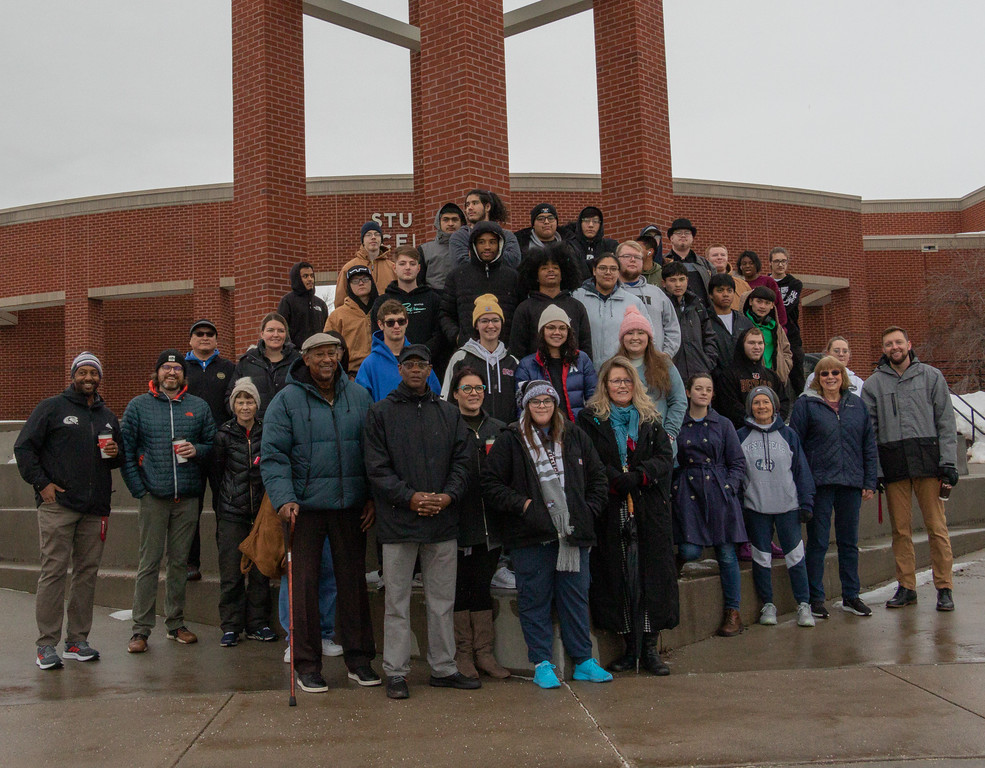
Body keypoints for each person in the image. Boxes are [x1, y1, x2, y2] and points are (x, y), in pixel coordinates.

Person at [261, 333, 380, 693]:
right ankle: (307, 664)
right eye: (319, 354)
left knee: (353, 586)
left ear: (341, 356)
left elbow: (374, 452)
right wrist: (284, 499)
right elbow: (274, 456)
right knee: (304, 589)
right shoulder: (286, 401)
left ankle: (359, 661)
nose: (327, 360)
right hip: (305, 509)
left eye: (333, 353)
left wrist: (372, 497)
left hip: (350, 508)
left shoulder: (360, 396)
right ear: (306, 359)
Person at [364, 344, 478, 699]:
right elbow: (376, 469)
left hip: (442, 520)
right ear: (400, 369)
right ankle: (396, 673)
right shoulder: (380, 414)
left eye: (422, 364)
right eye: (409, 364)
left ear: (431, 369)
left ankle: (443, 668)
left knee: (442, 601)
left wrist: (447, 496)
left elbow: (463, 461)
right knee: (396, 601)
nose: (416, 370)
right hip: (399, 522)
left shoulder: (448, 413)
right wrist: (410, 498)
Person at [481, 380, 610, 689]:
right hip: (531, 536)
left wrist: (586, 511)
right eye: (535, 401)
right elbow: (491, 484)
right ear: (526, 405)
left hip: (573, 536)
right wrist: (525, 506)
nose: (541, 406)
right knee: (534, 600)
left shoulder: (574, 435)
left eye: (547, 401)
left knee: (575, 599)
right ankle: (542, 662)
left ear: (555, 405)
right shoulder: (510, 440)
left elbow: (598, 478)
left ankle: (583, 661)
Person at [14, 352, 122, 670]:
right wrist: (42, 485)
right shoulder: (52, 408)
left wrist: (115, 451)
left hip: (95, 508)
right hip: (57, 506)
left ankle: (77, 640)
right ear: (73, 375)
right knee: (54, 573)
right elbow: (23, 447)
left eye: (94, 373)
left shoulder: (106, 415)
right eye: (83, 372)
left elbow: (116, 458)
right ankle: (46, 645)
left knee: (86, 575)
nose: (89, 378)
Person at [576, 358, 677, 675]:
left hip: (647, 507)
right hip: (610, 507)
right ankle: (628, 647)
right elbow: (585, 457)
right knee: (617, 575)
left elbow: (664, 458)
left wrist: (640, 475)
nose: (621, 386)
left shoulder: (650, 419)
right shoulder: (589, 420)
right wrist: (612, 479)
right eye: (615, 381)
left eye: (626, 380)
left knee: (649, 576)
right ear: (605, 385)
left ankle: (649, 649)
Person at [121, 350, 217, 653]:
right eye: (166, 367)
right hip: (153, 496)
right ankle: (140, 629)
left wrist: (197, 451)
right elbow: (126, 451)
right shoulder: (139, 406)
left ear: (183, 375)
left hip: (187, 496)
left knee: (178, 563)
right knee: (149, 563)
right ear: (157, 373)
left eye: (176, 368)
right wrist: (139, 490)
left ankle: (175, 624)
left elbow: (214, 444)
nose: (171, 372)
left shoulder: (198, 407)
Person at [860, 326, 958, 612]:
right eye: (888, 344)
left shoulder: (931, 376)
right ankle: (907, 586)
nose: (894, 347)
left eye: (898, 342)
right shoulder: (873, 385)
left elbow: (946, 422)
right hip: (894, 466)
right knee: (900, 530)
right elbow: (871, 433)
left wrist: (948, 462)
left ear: (908, 344)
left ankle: (944, 587)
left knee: (936, 528)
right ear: (884, 349)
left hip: (929, 463)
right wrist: (875, 470)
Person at [790, 356, 878, 619]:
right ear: (818, 378)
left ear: (843, 376)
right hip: (819, 484)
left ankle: (851, 595)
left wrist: (869, 481)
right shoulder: (806, 405)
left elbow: (868, 446)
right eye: (824, 373)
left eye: (835, 373)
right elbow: (795, 446)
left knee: (848, 542)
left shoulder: (857, 405)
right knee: (817, 542)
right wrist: (801, 483)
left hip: (851, 483)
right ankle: (815, 598)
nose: (830, 377)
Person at [446, 367, 510, 680]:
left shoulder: (498, 428)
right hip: (458, 524)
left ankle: (484, 653)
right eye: (467, 388)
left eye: (479, 387)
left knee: (482, 588)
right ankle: (463, 653)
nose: (474, 393)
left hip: (490, 527)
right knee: (460, 589)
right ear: (455, 392)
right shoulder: (447, 426)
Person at [671, 373, 747, 638]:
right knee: (690, 550)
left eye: (708, 389)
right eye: (698, 388)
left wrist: (729, 486)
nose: (703, 393)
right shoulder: (678, 422)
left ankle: (733, 612)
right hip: (688, 490)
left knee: (726, 554)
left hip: (719, 491)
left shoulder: (723, 424)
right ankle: (674, 565)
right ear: (689, 392)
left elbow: (737, 462)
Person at [737, 386, 816, 628]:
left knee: (795, 557)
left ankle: (803, 605)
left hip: (788, 506)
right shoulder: (740, 436)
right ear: (750, 406)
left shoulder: (789, 435)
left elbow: (801, 471)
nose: (761, 407)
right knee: (761, 558)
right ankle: (767, 604)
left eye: (766, 402)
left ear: (774, 406)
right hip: (756, 507)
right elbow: (738, 472)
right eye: (756, 402)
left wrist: (806, 502)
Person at [213, 378, 276, 646]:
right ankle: (231, 625)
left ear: (257, 404)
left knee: (261, 572)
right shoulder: (223, 435)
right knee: (231, 572)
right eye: (240, 400)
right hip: (231, 512)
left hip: (262, 513)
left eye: (249, 400)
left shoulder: (267, 432)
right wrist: (226, 501)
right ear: (233, 405)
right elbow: (216, 474)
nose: (245, 405)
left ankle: (258, 624)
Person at [184, 318, 236, 582]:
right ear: (191, 339)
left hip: (220, 449)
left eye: (210, 334)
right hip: (189, 450)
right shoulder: (179, 368)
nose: (205, 337)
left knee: (223, 507)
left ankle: (227, 560)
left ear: (217, 340)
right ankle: (190, 562)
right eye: (199, 333)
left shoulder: (228, 368)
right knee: (190, 509)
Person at [615, 306, 687, 452]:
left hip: (660, 444)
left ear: (648, 337)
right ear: (623, 338)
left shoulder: (664, 364)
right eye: (629, 333)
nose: (635, 337)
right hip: (626, 446)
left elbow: (679, 400)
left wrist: (669, 435)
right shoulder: (614, 366)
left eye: (641, 333)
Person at [440, 220, 521, 348]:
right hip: (468, 351)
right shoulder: (457, 276)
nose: (487, 247)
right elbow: (445, 314)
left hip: (505, 352)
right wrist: (457, 337)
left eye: (492, 242)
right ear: (474, 245)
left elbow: (520, 315)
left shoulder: (513, 277)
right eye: (481, 242)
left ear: (500, 244)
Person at [442, 294, 519, 424]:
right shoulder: (461, 358)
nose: (490, 325)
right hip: (470, 433)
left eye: (495, 320)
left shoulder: (512, 362)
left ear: (502, 323)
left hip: (507, 435)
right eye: (484, 321)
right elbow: (446, 399)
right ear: (476, 325)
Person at [510, 242, 592, 361]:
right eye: (544, 268)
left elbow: (586, 346)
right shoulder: (525, 308)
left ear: (563, 273)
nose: (550, 271)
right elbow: (517, 350)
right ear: (535, 275)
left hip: (572, 375)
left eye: (555, 267)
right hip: (535, 374)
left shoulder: (577, 307)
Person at [515, 305, 598, 421]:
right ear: (542, 331)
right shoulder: (527, 365)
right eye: (551, 328)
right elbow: (522, 407)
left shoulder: (582, 359)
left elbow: (594, 398)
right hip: (543, 432)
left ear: (568, 332)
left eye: (562, 328)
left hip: (577, 431)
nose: (557, 332)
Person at [370, 246, 444, 365]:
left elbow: (440, 335)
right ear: (394, 267)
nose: (408, 267)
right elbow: (377, 335)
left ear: (419, 268)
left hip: (428, 364)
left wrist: (419, 355)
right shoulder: (382, 302)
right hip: (392, 363)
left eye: (412, 264)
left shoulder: (433, 299)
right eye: (402, 263)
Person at [357, 299, 440, 401]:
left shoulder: (421, 360)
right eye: (390, 322)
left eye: (401, 321)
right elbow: (362, 403)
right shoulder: (369, 364)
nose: (396, 326)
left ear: (406, 323)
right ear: (380, 325)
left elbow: (436, 395)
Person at [572, 253, 647, 364]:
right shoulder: (577, 297)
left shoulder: (633, 302)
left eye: (613, 269)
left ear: (618, 272)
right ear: (594, 271)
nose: (608, 272)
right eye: (603, 268)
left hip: (621, 371)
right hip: (584, 369)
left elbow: (648, 336)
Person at [713, 327, 789, 430]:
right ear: (742, 345)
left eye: (760, 343)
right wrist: (755, 421)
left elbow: (783, 402)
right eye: (751, 343)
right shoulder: (728, 375)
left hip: (771, 430)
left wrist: (772, 421)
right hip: (740, 432)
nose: (757, 347)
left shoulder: (772, 376)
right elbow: (730, 407)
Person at [616, 239, 681, 358]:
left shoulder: (657, 293)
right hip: (620, 364)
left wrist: (666, 355)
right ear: (617, 260)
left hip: (653, 364)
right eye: (627, 256)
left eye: (637, 257)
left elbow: (672, 327)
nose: (632, 260)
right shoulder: (611, 293)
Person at [228, 312, 300, 418]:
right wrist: (243, 422)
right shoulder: (248, 361)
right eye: (270, 330)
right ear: (262, 334)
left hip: (290, 428)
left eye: (280, 331)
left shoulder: (297, 361)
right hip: (255, 431)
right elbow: (231, 395)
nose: (275, 335)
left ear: (286, 334)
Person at [662, 260, 718, 384]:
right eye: (672, 280)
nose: (678, 284)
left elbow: (709, 336)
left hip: (699, 372)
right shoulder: (661, 306)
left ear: (687, 280)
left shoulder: (697, 305)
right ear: (664, 283)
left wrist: (707, 362)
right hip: (671, 373)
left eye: (681, 279)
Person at [325, 265, 377, 376]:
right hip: (351, 373)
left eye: (365, 279)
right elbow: (327, 346)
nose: (361, 283)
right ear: (349, 286)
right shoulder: (338, 315)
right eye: (355, 281)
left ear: (372, 282)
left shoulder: (382, 309)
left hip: (379, 371)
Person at [449, 189, 522, 267]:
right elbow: (460, 265)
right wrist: (494, 254)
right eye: (467, 205)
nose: (469, 208)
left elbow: (514, 260)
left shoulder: (506, 235)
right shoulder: (460, 236)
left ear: (487, 207)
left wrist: (475, 254)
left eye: (475, 203)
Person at [334, 221, 396, 308]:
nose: (373, 237)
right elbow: (340, 302)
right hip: (358, 319)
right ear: (362, 240)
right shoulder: (349, 268)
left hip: (387, 318)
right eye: (368, 235)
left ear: (381, 239)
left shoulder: (392, 267)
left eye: (377, 234)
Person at [770, 247, 806, 394]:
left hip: (791, 335)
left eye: (783, 261)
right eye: (777, 261)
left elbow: (788, 306)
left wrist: (769, 309)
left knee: (797, 375)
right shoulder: (766, 281)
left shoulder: (794, 283)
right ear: (770, 263)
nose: (780, 264)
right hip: (770, 333)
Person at [742, 286, 793, 385]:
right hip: (749, 380)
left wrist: (784, 368)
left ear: (772, 306)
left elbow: (786, 351)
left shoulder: (776, 328)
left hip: (775, 380)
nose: (762, 306)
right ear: (751, 301)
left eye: (767, 303)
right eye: (759, 301)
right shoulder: (741, 324)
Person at [707, 273, 754, 370]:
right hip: (714, 378)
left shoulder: (745, 322)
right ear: (711, 295)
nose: (725, 294)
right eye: (720, 290)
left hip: (742, 377)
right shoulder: (704, 321)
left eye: (729, 290)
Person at [277, 261, 328, 349]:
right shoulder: (287, 301)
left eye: (312, 276)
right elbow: (281, 329)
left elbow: (326, 330)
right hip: (295, 355)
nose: (310, 279)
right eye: (305, 276)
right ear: (297, 278)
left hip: (318, 353)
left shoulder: (321, 304)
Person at [418, 202, 466, 293]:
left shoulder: (470, 247)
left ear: (462, 223)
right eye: (446, 220)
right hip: (434, 298)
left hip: (462, 297)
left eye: (455, 220)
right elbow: (419, 281)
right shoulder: (425, 250)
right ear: (438, 222)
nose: (450, 224)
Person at [562, 205, 618, 281]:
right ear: (580, 223)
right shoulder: (569, 245)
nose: (591, 225)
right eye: (586, 221)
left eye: (595, 221)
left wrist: (583, 263)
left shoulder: (610, 245)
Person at [735, 250, 787, 330]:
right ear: (740, 267)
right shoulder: (738, 284)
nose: (747, 266)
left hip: (768, 327)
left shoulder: (768, 281)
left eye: (751, 263)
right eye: (744, 264)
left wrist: (781, 329)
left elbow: (778, 306)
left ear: (757, 265)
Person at [666, 218, 713, 304]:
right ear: (671, 238)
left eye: (687, 233)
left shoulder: (706, 265)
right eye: (679, 233)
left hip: (702, 315)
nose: (683, 235)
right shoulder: (663, 263)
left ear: (692, 238)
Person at [705, 246, 750, 310]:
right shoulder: (701, 282)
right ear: (707, 259)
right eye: (715, 255)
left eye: (723, 255)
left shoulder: (742, 284)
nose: (719, 257)